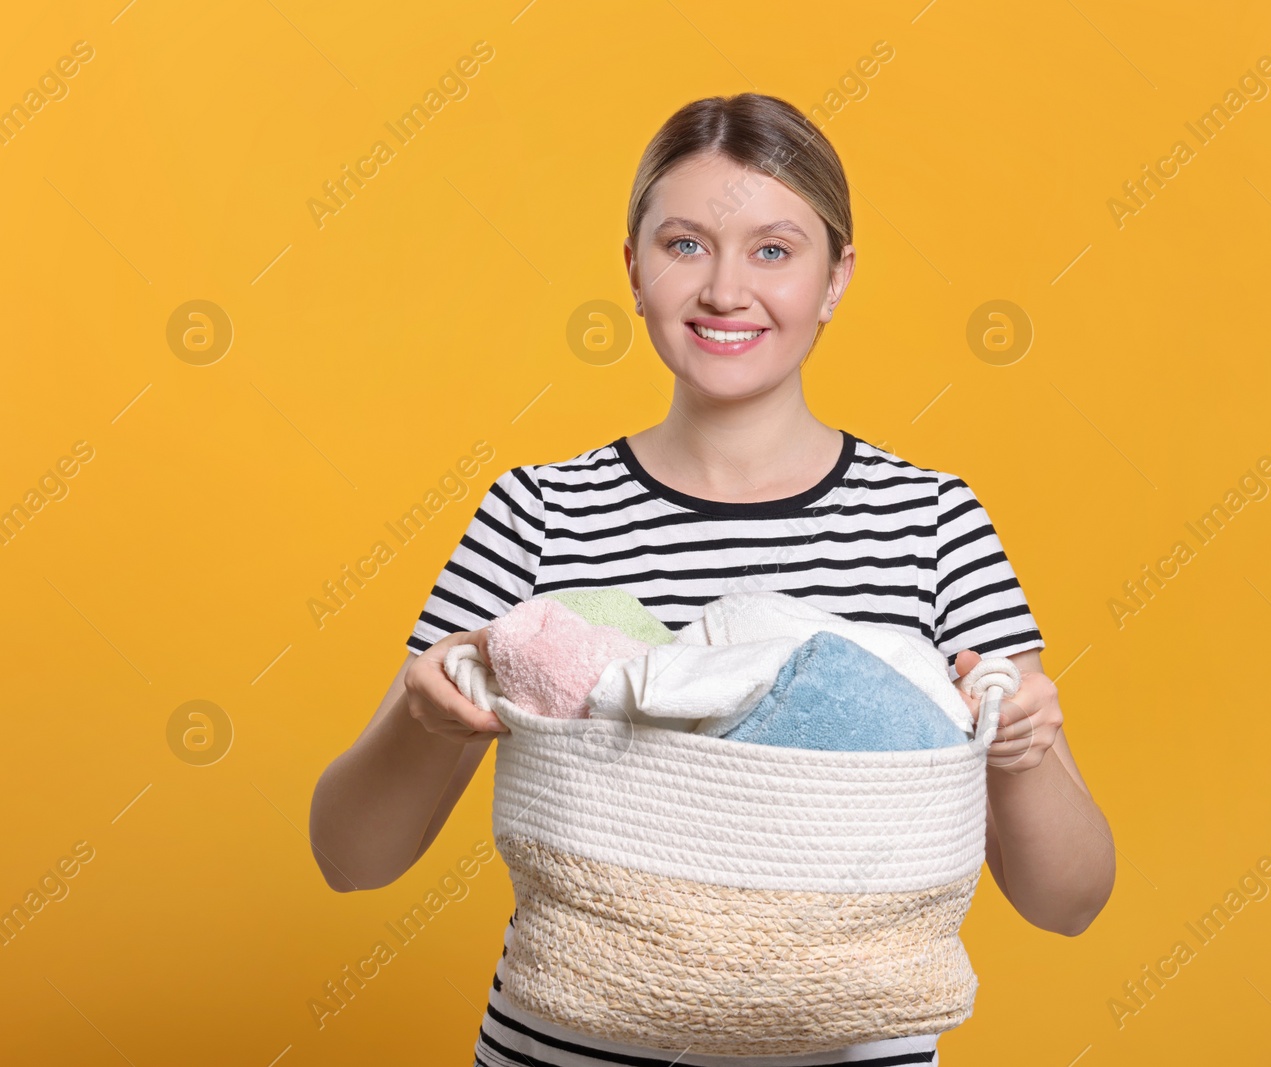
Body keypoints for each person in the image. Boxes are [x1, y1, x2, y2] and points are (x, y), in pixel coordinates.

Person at [309, 91, 1115, 1067]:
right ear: (633, 270)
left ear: (835, 277)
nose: (726, 289)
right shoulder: (537, 514)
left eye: (774, 249)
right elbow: (352, 858)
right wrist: (422, 713)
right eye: (685, 244)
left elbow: (1067, 900)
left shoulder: (932, 523)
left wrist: (1024, 748)